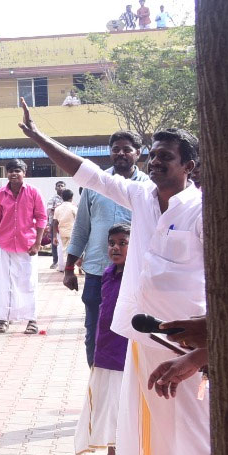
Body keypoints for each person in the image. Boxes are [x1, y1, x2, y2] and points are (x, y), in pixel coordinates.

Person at [16, 101, 210, 455]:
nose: (155, 162)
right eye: (153, 155)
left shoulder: (202, 210)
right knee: (141, 423)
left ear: (189, 166)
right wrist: (38, 137)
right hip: (143, 332)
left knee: (191, 426)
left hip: (190, 338)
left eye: (166, 157)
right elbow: (87, 173)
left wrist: (206, 341)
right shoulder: (140, 197)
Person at [64, 131, 144, 366]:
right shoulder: (94, 185)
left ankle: (128, 385)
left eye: (127, 149)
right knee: (95, 333)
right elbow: (81, 228)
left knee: (133, 334)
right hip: (97, 272)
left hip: (135, 274)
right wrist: (69, 268)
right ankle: (96, 381)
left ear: (138, 153)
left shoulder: (149, 187)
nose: (121, 153)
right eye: (116, 149)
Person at [74, 224, 130, 455]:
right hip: (105, 349)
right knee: (107, 406)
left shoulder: (136, 276)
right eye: (111, 243)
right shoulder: (108, 273)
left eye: (122, 243)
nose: (115, 248)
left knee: (120, 407)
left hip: (125, 353)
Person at [0, 159, 47, 334]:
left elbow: (42, 218)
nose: (14, 174)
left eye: (17, 171)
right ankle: (4, 319)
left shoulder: (34, 192)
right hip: (5, 244)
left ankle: (31, 320)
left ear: (24, 173)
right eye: (11, 171)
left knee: (28, 283)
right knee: (4, 283)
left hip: (27, 245)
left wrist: (37, 243)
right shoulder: (0, 194)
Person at [51, 188, 78, 268]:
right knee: (72, 251)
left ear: (62, 197)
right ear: (72, 197)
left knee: (63, 250)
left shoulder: (58, 209)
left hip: (62, 233)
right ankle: (70, 268)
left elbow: (55, 222)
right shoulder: (74, 208)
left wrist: (54, 236)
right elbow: (78, 221)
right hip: (72, 232)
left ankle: (63, 267)